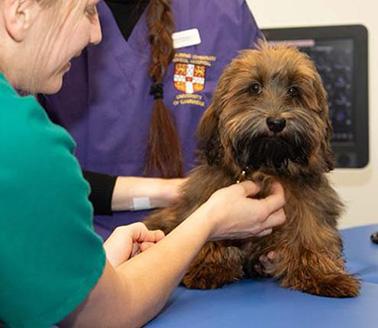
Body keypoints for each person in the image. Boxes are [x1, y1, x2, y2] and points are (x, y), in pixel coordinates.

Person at [0, 1, 286, 326]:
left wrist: (99, 270)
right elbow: (106, 314)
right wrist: (208, 220)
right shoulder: (21, 141)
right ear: (19, 12)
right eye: (87, 11)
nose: (96, 34)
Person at [40, 0, 263, 240]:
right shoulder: (50, 13)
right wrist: (173, 192)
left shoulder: (223, 13)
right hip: (79, 239)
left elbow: (273, 138)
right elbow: (28, 166)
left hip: (212, 243)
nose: (94, 33)